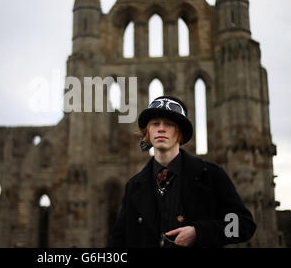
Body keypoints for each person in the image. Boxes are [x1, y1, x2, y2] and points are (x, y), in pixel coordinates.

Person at [108, 95, 256, 248]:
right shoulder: (134, 186)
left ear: (180, 134)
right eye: (155, 124)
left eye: (169, 124)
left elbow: (244, 225)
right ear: (148, 134)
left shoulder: (210, 175)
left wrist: (199, 233)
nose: (161, 128)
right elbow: (118, 241)